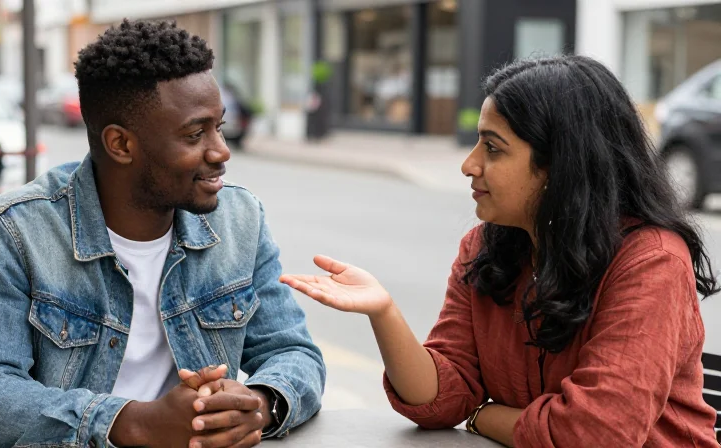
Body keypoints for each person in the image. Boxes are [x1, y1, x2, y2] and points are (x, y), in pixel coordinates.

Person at [280, 55, 719, 447]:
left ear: (558, 166)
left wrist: (483, 416)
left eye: (492, 148)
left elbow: (595, 434)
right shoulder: (487, 247)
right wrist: (384, 313)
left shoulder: (651, 260)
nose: (469, 164)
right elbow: (442, 400)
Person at [0, 19, 325, 448]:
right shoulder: (12, 232)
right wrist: (134, 423)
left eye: (218, 127)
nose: (221, 151)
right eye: (195, 134)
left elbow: (293, 352)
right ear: (121, 145)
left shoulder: (240, 219)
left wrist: (257, 405)